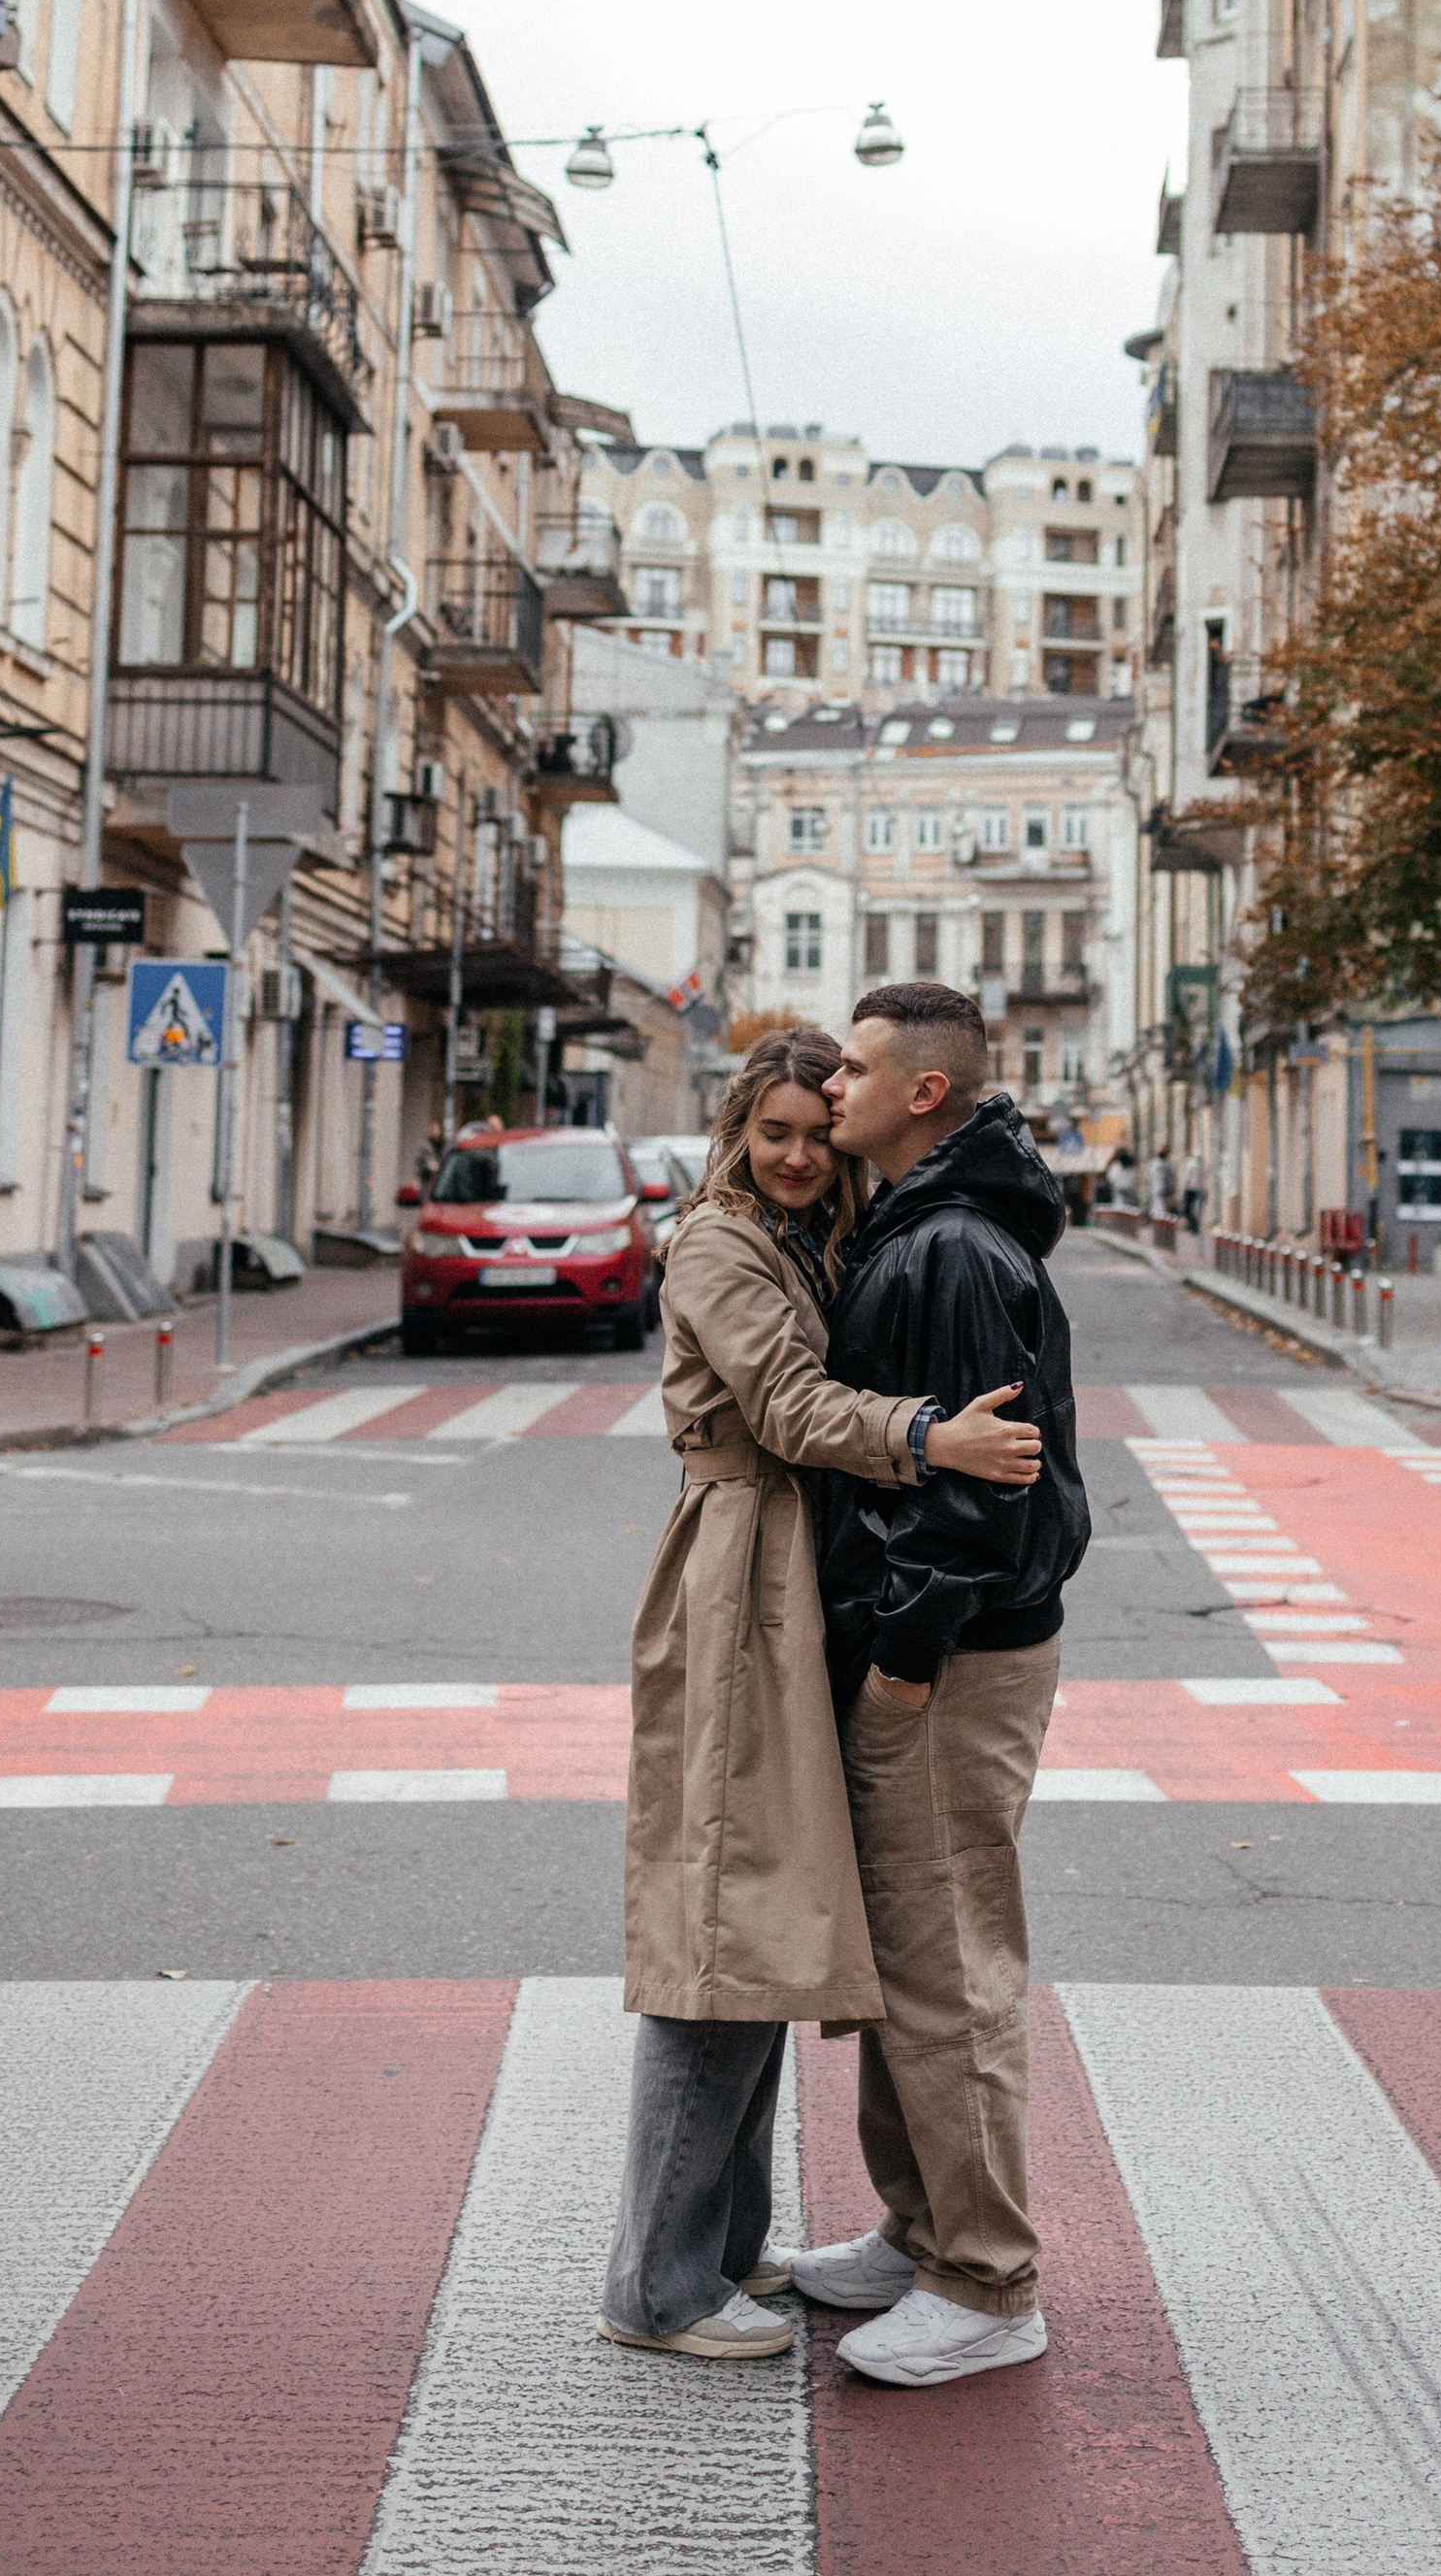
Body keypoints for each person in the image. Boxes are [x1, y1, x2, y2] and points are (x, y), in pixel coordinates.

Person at [599, 1025, 1042, 2362]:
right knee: (724, 1925)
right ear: (738, 1130)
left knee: (771, 1926)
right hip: (741, 1582)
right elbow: (788, 1408)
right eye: (773, 1131)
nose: (798, 1153)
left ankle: (724, 2250)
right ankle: (658, 2287)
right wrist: (931, 1436)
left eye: (813, 1128)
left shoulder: (828, 1230)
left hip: (800, 1584)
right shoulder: (721, 1243)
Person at [782, 979, 1091, 2390]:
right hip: (927, 1647)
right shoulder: (918, 1223)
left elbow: (991, 1490)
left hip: (951, 1661)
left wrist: (904, 1661)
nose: (826, 1087)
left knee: (949, 1965)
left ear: (922, 1093)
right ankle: (920, 2235)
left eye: (850, 1069)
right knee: (910, 1963)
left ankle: (988, 2279)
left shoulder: (954, 1246)